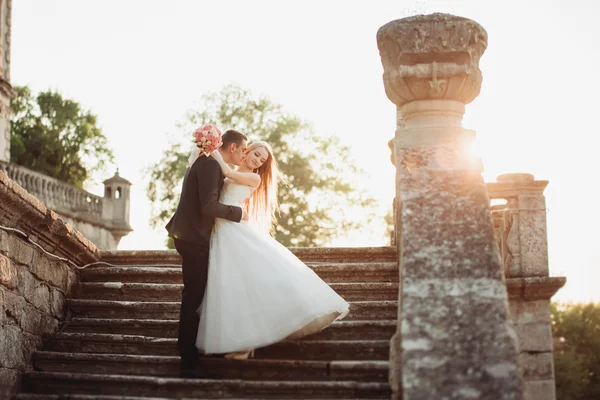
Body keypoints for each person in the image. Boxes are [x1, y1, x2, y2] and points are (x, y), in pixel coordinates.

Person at [196, 141, 349, 360]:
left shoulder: (254, 177)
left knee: (245, 281)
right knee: (230, 285)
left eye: (262, 159)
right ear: (247, 150)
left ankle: (246, 345)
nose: (258, 160)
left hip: (234, 230)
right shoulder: (232, 172)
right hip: (221, 229)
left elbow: (227, 171)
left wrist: (211, 149)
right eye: (256, 154)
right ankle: (244, 343)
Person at [166, 129, 248, 377]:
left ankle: (195, 350)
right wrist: (240, 214)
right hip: (194, 239)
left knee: (196, 295)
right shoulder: (211, 165)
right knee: (193, 298)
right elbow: (209, 206)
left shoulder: (205, 162)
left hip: (189, 235)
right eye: (243, 149)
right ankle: (188, 359)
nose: (244, 154)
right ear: (231, 147)